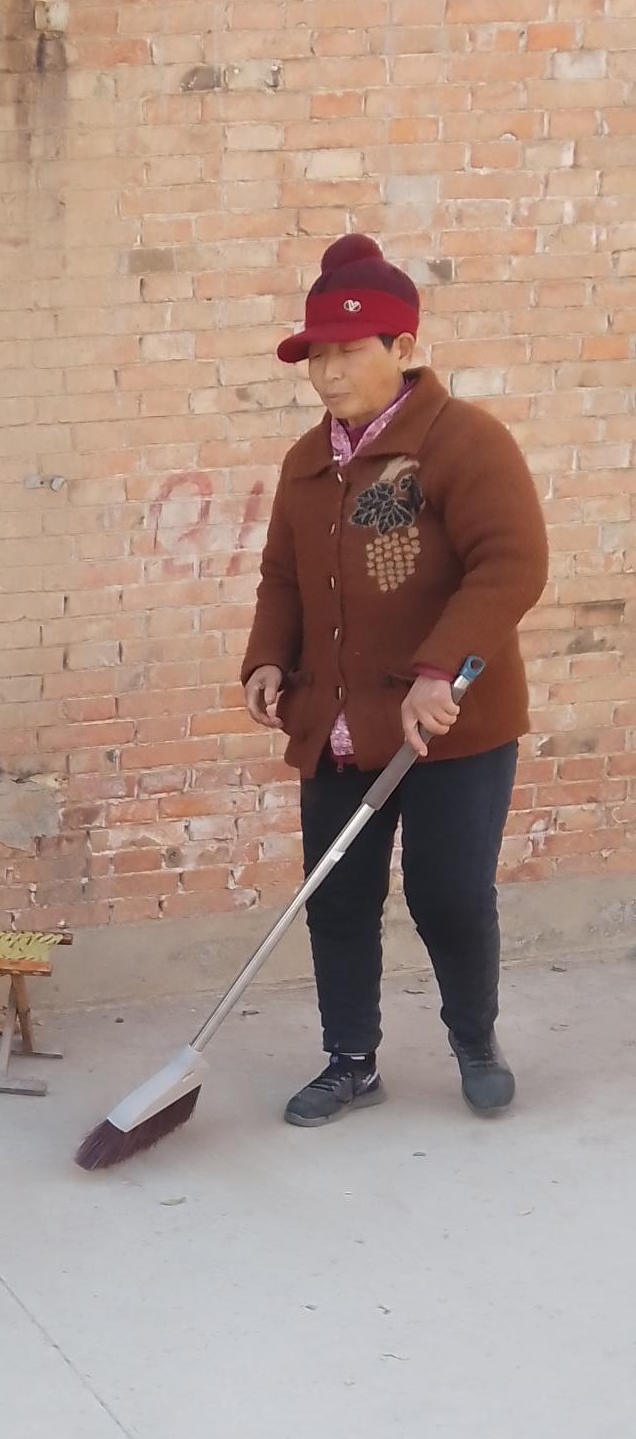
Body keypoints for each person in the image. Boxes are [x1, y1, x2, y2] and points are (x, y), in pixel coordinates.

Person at [241, 234, 548, 1127]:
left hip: (451, 726)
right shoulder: (307, 462)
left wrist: (438, 671)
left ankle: (475, 1042)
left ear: (403, 347)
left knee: (447, 894)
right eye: (316, 356)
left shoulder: (465, 442)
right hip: (336, 723)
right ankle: (351, 1060)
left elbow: (511, 565)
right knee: (336, 897)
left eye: (348, 351)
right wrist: (267, 657)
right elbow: (282, 578)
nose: (329, 373)